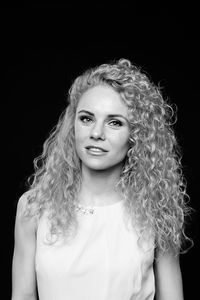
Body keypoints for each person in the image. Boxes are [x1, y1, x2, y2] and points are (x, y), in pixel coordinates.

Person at [12, 58, 192, 300]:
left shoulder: (156, 211)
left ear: (137, 136)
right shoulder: (34, 207)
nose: (96, 133)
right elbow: (22, 295)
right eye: (86, 118)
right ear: (72, 125)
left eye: (115, 123)